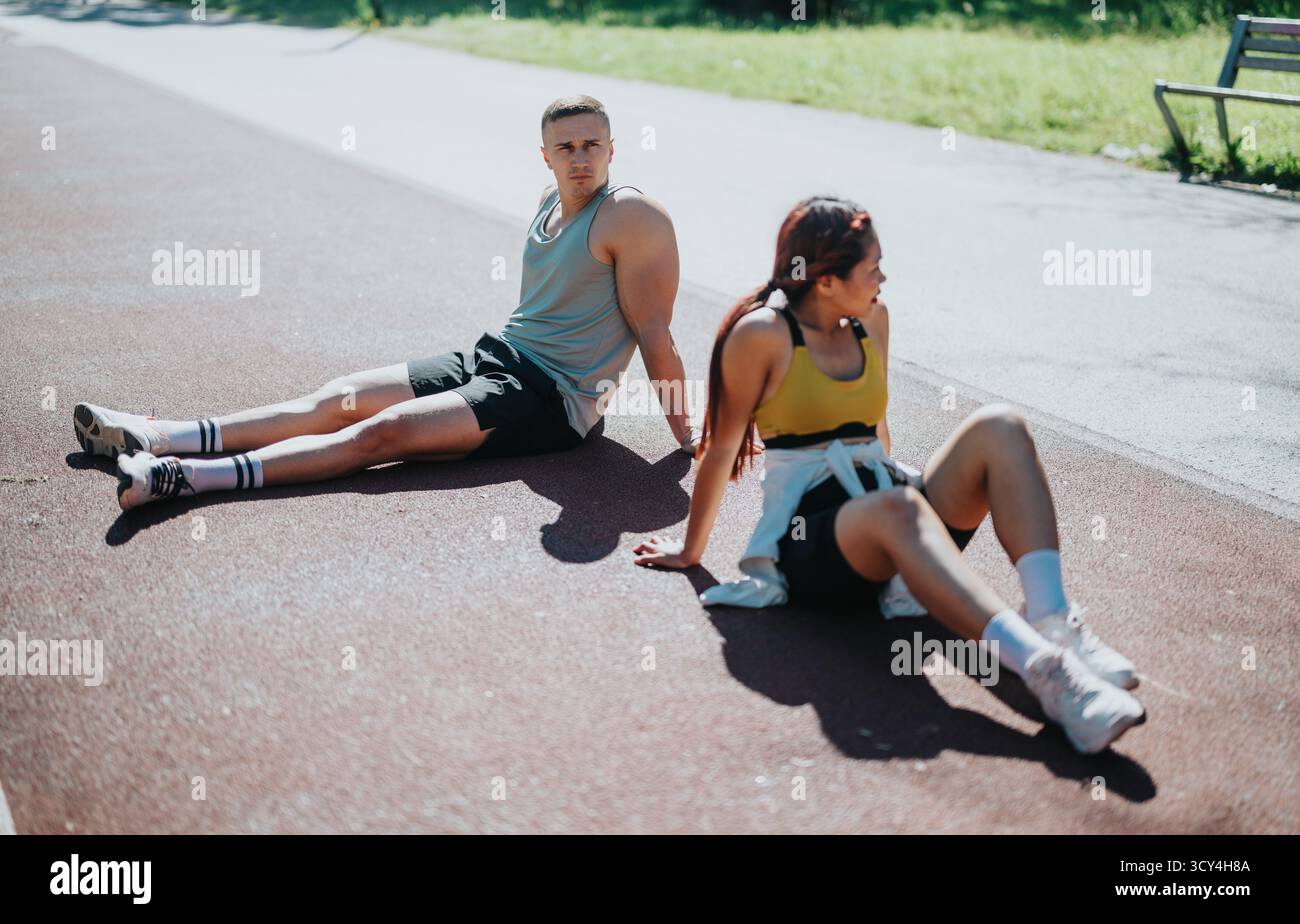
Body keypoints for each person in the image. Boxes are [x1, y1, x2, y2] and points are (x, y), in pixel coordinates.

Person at [633, 196, 1145, 755]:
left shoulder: (872, 320)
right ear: (826, 281)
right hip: (813, 546)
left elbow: (876, 432)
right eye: (872, 266)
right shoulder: (762, 335)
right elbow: (722, 445)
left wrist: (913, 518)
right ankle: (1050, 676)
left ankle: (1051, 619)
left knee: (1000, 426)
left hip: (887, 510)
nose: (883, 276)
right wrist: (691, 550)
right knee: (898, 509)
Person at [75, 95, 698, 510]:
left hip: (550, 399)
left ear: (612, 149)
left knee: (384, 434)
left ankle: (183, 478)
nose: (580, 158)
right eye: (566, 148)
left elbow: (655, 334)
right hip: (496, 355)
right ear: (546, 156)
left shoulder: (631, 216)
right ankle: (156, 434)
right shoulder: (548, 197)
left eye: (593, 145)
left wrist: (689, 439)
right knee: (336, 396)